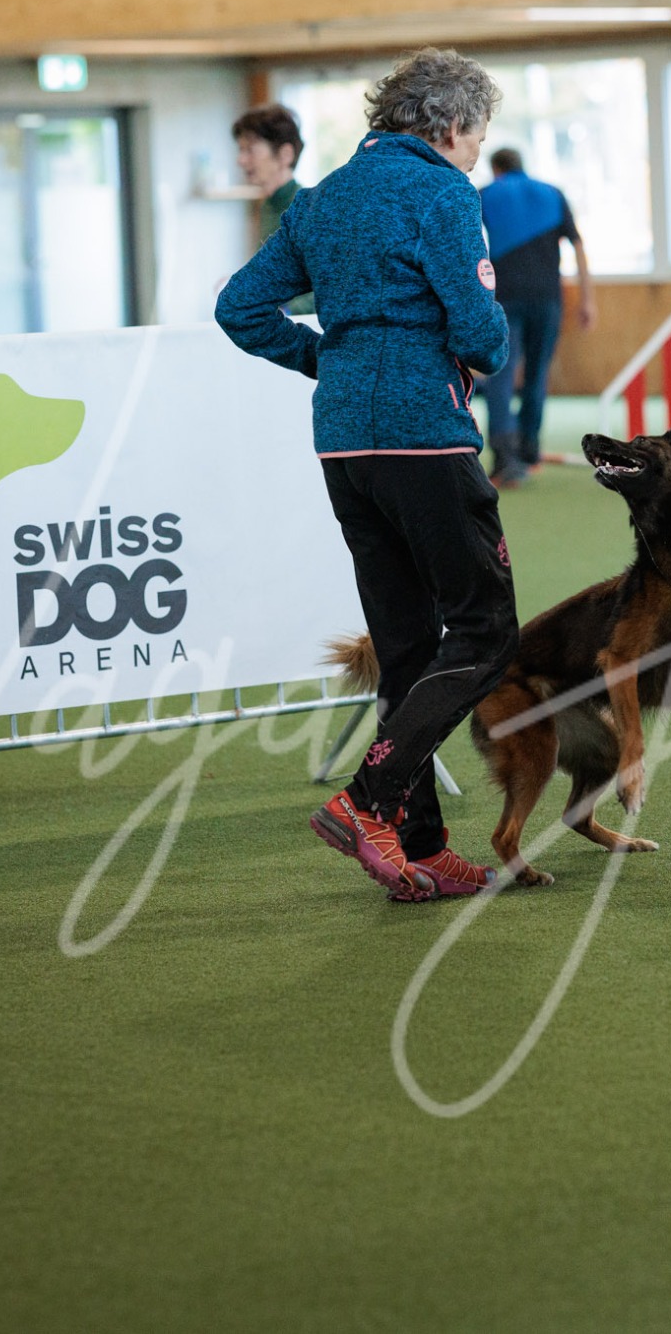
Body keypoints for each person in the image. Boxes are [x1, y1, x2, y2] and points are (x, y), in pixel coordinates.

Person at [216, 48, 517, 903]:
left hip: (345, 444)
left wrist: (328, 360)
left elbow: (239, 307)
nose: (475, 152)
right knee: (485, 630)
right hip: (425, 435)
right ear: (450, 125)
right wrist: (482, 335)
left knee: (408, 643)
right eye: (476, 134)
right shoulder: (445, 194)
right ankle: (368, 800)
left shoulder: (322, 200)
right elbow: (482, 337)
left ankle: (421, 846)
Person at [477, 146, 596, 486]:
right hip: (547, 299)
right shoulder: (553, 193)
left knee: (501, 374)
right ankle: (529, 451)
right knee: (536, 373)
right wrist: (588, 300)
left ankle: (506, 460)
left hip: (504, 298)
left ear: (496, 169)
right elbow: (578, 246)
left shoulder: (485, 194)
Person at [231, 103, 314, 316]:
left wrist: (287, 310)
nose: (241, 160)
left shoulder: (308, 208)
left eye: (250, 150)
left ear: (285, 154)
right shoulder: (267, 207)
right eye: (240, 150)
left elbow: (334, 285)